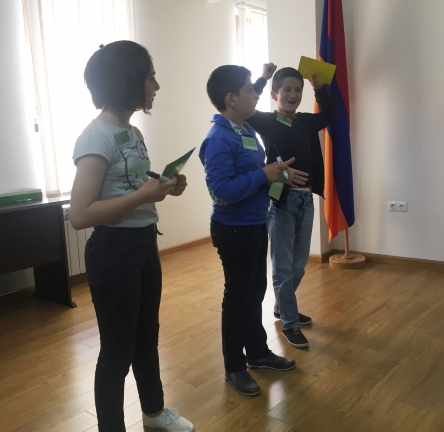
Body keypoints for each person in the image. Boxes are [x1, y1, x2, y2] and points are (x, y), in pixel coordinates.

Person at [69, 41, 194, 432]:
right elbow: (79, 215)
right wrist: (143, 195)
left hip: (143, 244)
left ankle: (154, 413)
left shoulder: (132, 131)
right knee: (116, 352)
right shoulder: (96, 137)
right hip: (113, 253)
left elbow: (132, 185)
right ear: (128, 81)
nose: (156, 86)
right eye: (150, 77)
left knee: (146, 337)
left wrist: (164, 186)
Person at [199, 65, 297, 397]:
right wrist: (263, 175)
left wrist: (277, 175)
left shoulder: (244, 129)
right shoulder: (218, 138)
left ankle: (257, 353)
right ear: (231, 98)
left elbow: (256, 175)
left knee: (255, 293)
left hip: (255, 224)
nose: (256, 94)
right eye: (249, 90)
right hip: (233, 230)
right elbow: (221, 191)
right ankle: (234, 367)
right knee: (237, 298)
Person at [247, 65, 336, 348]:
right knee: (283, 268)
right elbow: (246, 108)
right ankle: (289, 322)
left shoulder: (306, 121)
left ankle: (282, 306)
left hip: (305, 200)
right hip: (281, 201)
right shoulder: (268, 121)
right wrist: (262, 79)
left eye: (298, 90)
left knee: (299, 265)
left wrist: (319, 89)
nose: (293, 95)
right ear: (275, 94)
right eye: (287, 89)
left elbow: (330, 115)